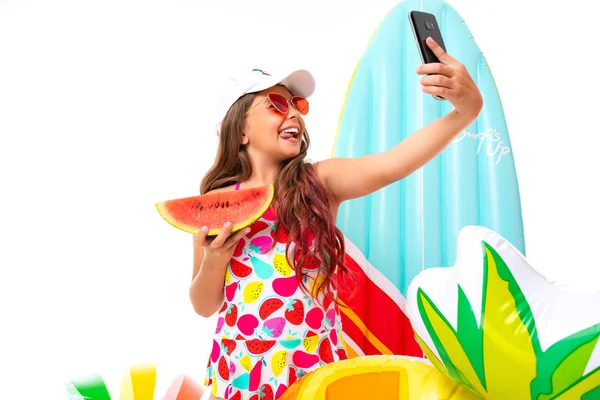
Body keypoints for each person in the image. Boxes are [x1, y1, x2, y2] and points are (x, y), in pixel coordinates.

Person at [189, 36, 483, 400]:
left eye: (297, 105)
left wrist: (464, 113)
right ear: (241, 129)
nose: (294, 114)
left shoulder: (319, 182)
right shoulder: (215, 203)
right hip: (240, 371)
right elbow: (203, 305)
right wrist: (215, 260)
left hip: (315, 368)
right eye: (277, 104)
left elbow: (394, 163)